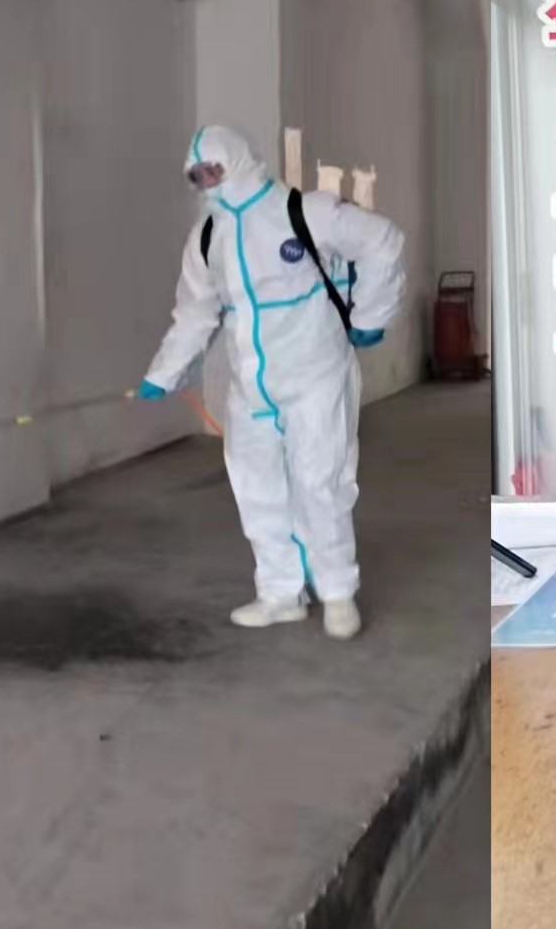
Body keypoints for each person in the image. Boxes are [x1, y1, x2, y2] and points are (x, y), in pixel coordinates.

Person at [139, 125, 405, 640]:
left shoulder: (304, 212)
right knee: (256, 488)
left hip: (315, 374)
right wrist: (164, 372)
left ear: (237, 159)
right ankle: (281, 594)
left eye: (213, 169)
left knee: (320, 483)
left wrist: (371, 314)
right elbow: (195, 313)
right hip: (251, 388)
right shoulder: (207, 238)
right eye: (197, 176)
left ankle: (337, 592)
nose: (207, 181)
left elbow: (382, 241)